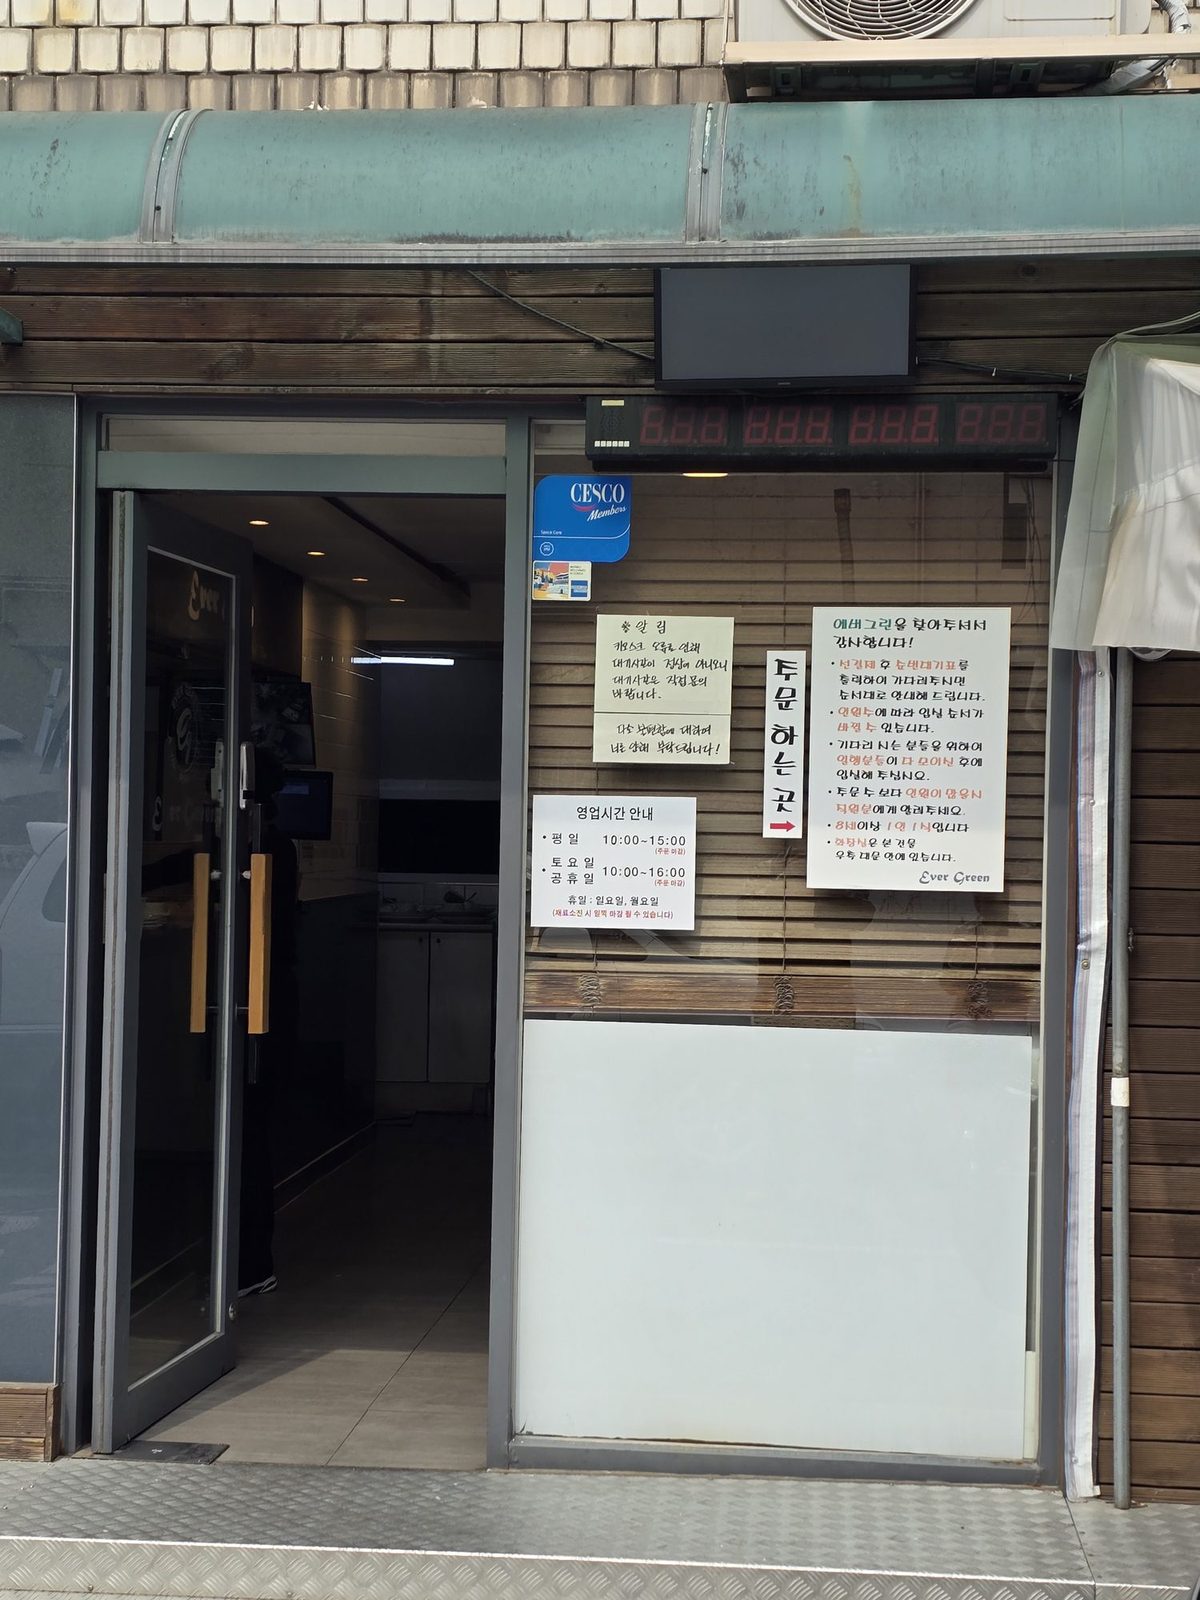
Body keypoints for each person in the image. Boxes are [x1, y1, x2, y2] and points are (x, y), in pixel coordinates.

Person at [238, 747, 300, 1297]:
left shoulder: (263, 847)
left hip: (258, 1012)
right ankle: (250, 1263)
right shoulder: (276, 845)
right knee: (251, 1134)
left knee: (248, 1136)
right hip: (266, 1009)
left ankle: (251, 1264)